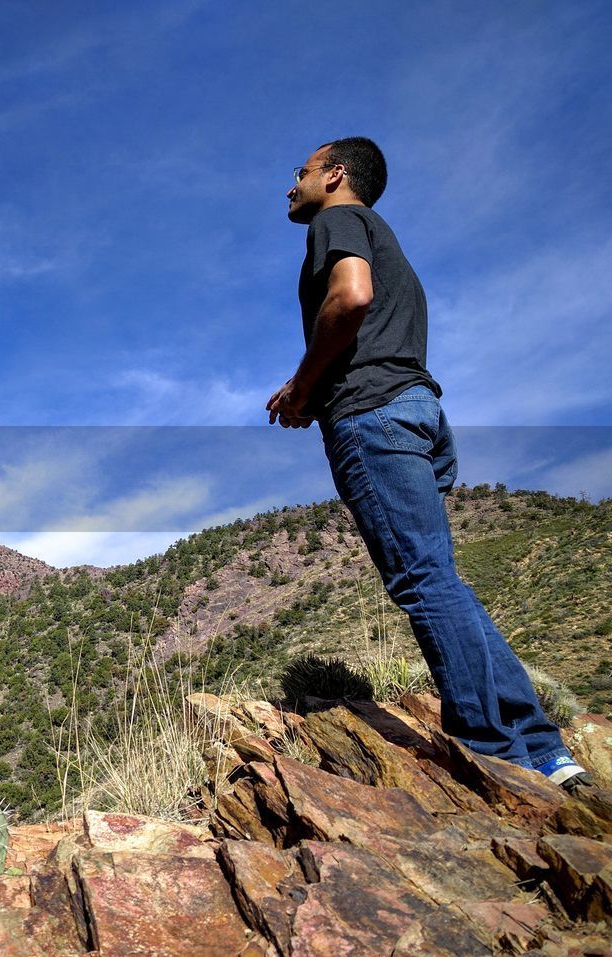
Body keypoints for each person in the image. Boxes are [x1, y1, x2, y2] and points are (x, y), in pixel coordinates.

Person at [266, 136, 592, 791]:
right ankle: (544, 749)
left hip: (372, 415)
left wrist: (303, 386)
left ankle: (490, 749)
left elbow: (350, 297)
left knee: (423, 583)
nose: (290, 184)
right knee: (441, 580)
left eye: (300, 172)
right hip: (417, 410)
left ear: (334, 176)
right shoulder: (390, 242)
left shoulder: (337, 222)